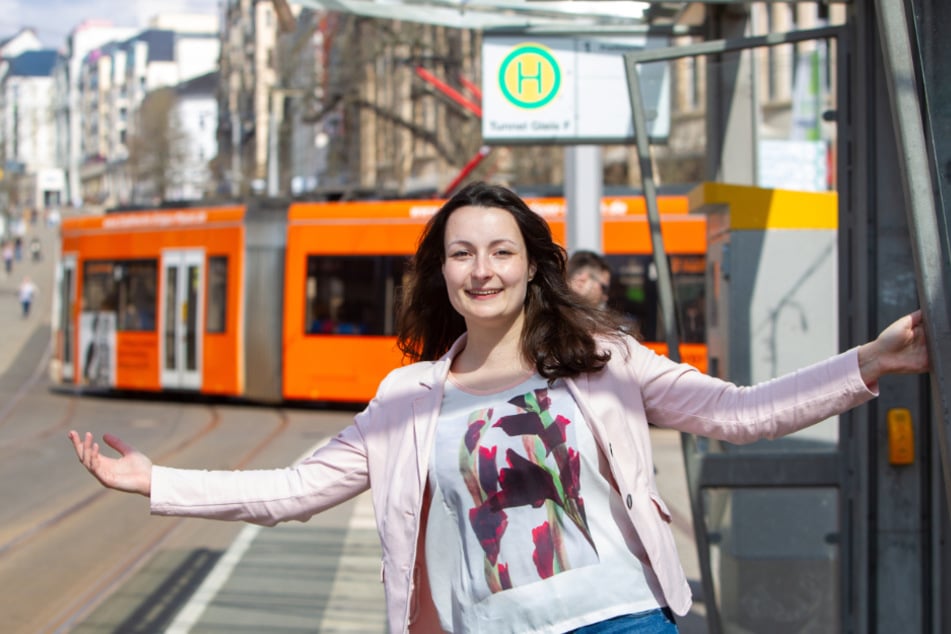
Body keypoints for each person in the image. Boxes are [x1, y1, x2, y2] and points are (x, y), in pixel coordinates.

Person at [68, 181, 930, 634]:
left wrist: (869, 362)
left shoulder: (602, 361)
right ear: (440, 271)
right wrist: (155, 480)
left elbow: (740, 412)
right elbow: (295, 490)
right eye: (461, 254)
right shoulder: (406, 399)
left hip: (620, 622)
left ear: (530, 265)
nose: (481, 270)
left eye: (500, 251)